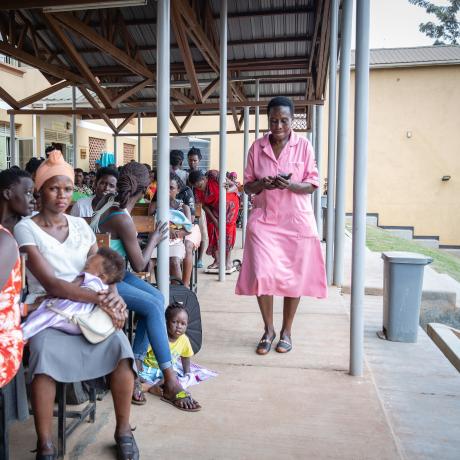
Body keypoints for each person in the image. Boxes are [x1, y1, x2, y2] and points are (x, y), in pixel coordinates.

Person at [14, 151, 139, 459]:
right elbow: (53, 285)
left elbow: (103, 269)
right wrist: (102, 300)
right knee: (42, 357)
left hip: (88, 310)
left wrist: (115, 298)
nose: (61, 195)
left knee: (122, 349)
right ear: (41, 190)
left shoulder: (81, 226)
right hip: (50, 308)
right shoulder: (26, 228)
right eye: (54, 188)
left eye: (67, 189)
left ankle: (123, 431)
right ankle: (45, 444)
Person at [90, 162, 201, 411]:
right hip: (104, 281)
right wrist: (152, 240)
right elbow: (141, 264)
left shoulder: (109, 204)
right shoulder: (122, 218)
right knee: (152, 306)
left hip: (113, 272)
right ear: (145, 189)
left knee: (157, 298)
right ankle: (170, 379)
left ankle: (137, 365)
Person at [235, 96, 327, 355]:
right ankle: (268, 329)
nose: (278, 125)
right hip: (265, 219)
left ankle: (286, 331)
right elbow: (248, 186)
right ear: (268, 120)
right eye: (273, 120)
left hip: (296, 221)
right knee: (262, 273)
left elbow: (312, 184)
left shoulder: (304, 146)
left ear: (292, 120)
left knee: (292, 278)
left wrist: (290, 185)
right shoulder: (257, 147)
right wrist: (264, 183)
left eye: (284, 120)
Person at [22, 247, 125, 340]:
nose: (83, 269)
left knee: (43, 316)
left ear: (102, 276)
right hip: (83, 324)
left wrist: (47, 295)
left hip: (66, 313)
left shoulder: (86, 277)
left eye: (86, 267)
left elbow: (67, 289)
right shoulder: (105, 287)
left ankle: (21, 334)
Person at [0, 168, 35, 388]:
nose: (33, 200)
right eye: (29, 193)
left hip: (4, 343)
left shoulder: (5, 240)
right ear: (8, 194)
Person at [188, 169, 240, 272]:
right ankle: (217, 260)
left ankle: (228, 261)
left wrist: (227, 191)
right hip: (213, 209)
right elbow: (204, 206)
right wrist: (215, 220)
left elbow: (235, 186)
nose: (199, 188)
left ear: (204, 179)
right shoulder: (197, 190)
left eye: (200, 185)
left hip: (229, 206)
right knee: (212, 230)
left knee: (227, 232)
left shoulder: (214, 177)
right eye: (196, 186)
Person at [187, 147, 207, 268]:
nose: (192, 162)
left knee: (203, 231)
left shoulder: (204, 174)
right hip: (187, 206)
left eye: (194, 160)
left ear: (199, 160)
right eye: (190, 160)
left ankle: (200, 259)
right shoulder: (185, 174)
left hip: (200, 206)